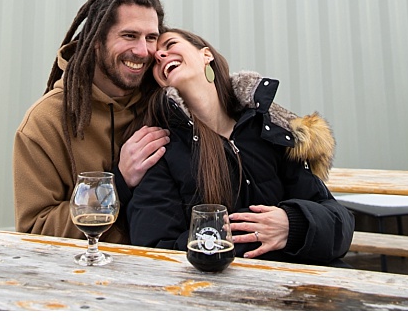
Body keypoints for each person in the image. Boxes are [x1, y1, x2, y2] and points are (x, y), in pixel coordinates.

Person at [127, 29, 354, 264]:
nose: (161, 56)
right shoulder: (162, 148)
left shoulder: (267, 131)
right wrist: (245, 236)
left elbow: (338, 222)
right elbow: (155, 249)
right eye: (156, 60)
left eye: (170, 44)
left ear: (206, 55)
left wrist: (292, 224)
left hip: (302, 287)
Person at [13, 0, 172, 242]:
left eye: (151, 38)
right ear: (97, 40)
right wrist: (117, 184)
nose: (143, 51)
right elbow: (35, 230)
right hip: (82, 275)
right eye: (129, 36)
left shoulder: (166, 105)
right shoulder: (44, 122)